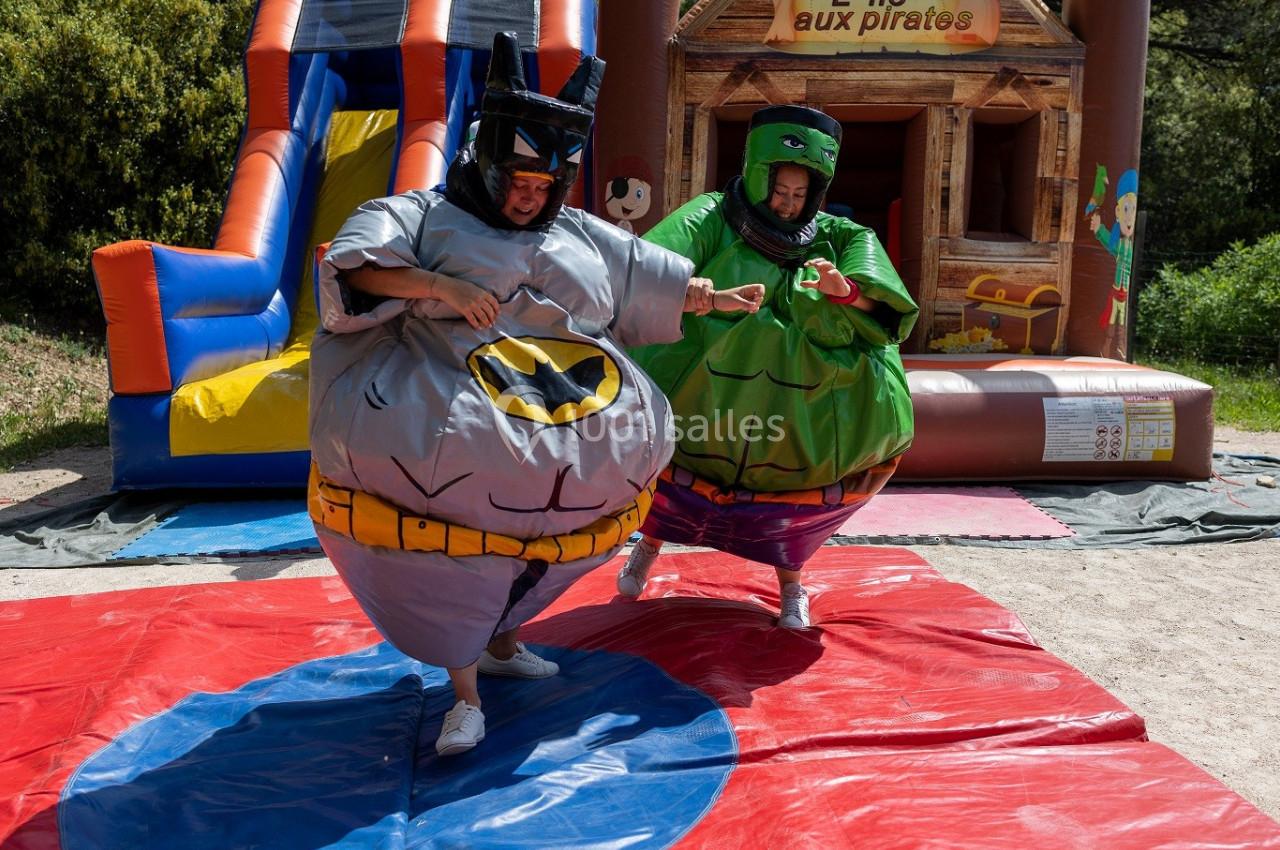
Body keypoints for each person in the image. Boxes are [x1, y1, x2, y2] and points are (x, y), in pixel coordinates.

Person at [309, 33, 761, 758]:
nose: (530, 198)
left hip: (563, 407)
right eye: (518, 183)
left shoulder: (575, 229)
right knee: (462, 529)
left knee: (547, 529)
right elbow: (351, 266)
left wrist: (715, 296)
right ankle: (463, 698)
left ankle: (505, 642)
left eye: (544, 188)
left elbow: (640, 275)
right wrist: (440, 286)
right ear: (487, 166)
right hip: (449, 406)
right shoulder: (425, 216)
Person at [618, 105, 918, 628]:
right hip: (702, 394)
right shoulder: (713, 216)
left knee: (791, 494)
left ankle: (791, 586)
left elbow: (886, 307)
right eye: (779, 192)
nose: (787, 205)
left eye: (801, 196)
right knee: (676, 465)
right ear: (759, 176)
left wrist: (841, 290)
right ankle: (650, 544)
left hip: (791, 411)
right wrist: (708, 297)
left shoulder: (839, 237)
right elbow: (649, 264)